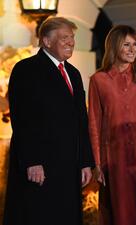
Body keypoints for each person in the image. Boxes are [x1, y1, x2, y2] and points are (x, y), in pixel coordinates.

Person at [3, 17, 94, 225]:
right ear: (46, 41)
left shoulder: (73, 73)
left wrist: (85, 162)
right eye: (64, 38)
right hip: (40, 168)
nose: (71, 42)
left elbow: (81, 119)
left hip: (69, 168)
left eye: (72, 37)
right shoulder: (26, 70)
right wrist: (32, 161)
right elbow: (22, 119)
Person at [88, 24, 136, 225]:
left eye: (135, 45)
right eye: (126, 45)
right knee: (123, 215)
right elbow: (94, 123)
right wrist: (97, 164)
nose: (133, 50)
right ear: (114, 47)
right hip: (116, 160)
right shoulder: (99, 80)